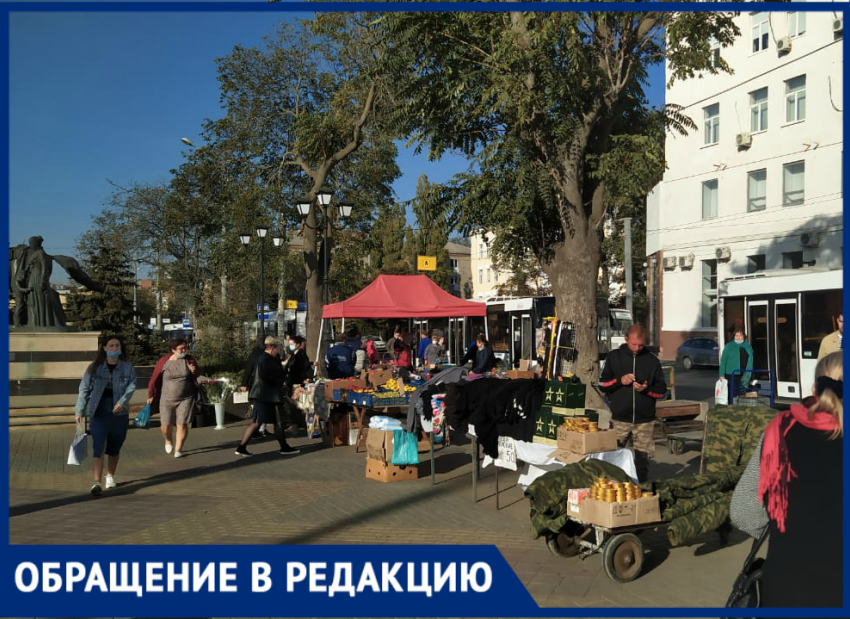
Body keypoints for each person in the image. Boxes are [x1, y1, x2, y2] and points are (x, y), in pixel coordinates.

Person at [731, 351, 842, 607]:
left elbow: (743, 511)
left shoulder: (780, 429)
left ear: (815, 388)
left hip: (786, 586)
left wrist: (789, 529)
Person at [598, 324, 667, 482]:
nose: (637, 348)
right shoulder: (614, 357)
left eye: (641, 345)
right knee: (614, 457)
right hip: (619, 418)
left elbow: (662, 391)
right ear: (626, 339)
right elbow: (602, 384)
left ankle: (641, 489)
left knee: (642, 461)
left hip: (645, 421)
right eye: (633, 344)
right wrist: (620, 380)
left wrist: (646, 389)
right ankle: (614, 488)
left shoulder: (652, 361)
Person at [74, 335, 136, 496]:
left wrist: (122, 401)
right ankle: (96, 482)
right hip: (99, 411)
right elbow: (84, 389)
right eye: (111, 345)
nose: (115, 348)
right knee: (98, 446)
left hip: (119, 412)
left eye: (117, 345)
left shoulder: (127, 367)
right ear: (105, 348)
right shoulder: (94, 367)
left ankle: (110, 476)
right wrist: (79, 411)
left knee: (114, 447)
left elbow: (131, 386)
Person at [236, 337, 300, 456]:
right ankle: (242, 446)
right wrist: (279, 381)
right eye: (278, 348)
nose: (279, 350)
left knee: (272, 421)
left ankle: (283, 446)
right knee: (260, 421)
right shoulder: (264, 359)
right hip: (265, 395)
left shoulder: (269, 358)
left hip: (267, 394)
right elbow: (266, 376)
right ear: (272, 348)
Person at [147, 338, 201, 459]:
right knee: (166, 425)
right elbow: (154, 379)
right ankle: (168, 440)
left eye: (186, 347)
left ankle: (178, 449)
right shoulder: (164, 361)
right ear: (173, 350)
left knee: (182, 423)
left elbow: (197, 373)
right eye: (181, 348)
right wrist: (150, 395)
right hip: (166, 398)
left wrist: (194, 370)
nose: (184, 350)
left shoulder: (189, 360)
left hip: (186, 397)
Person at [719, 328, 755, 402]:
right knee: (732, 394)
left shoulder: (747, 346)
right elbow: (723, 361)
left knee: (742, 393)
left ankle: (740, 408)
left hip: (745, 373)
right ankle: (731, 408)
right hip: (731, 373)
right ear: (734, 336)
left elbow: (751, 359)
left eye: (740, 335)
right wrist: (721, 375)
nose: (738, 337)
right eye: (736, 335)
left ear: (743, 336)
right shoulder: (729, 346)